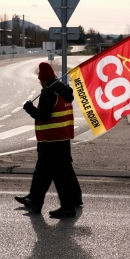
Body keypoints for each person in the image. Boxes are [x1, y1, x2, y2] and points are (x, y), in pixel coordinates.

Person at [14, 62, 82, 218]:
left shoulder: (49, 92)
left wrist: (29, 108)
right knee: (46, 172)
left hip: (52, 140)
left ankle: (66, 207)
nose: (39, 81)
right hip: (61, 138)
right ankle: (36, 201)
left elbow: (43, 116)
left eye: (40, 79)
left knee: (57, 174)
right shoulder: (63, 91)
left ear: (43, 79)